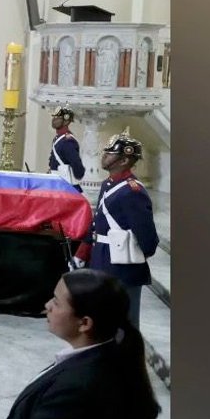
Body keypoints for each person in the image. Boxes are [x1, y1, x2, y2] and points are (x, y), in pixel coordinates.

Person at [0, 269, 161, 419]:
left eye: (56, 302)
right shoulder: (101, 358)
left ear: (84, 323)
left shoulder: (78, 387)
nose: (47, 305)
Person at [88, 129, 159, 326]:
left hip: (122, 266)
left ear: (124, 160)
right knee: (102, 321)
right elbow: (97, 223)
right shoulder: (108, 184)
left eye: (110, 153)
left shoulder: (132, 191)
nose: (104, 156)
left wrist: (133, 254)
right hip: (101, 260)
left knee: (125, 323)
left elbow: (147, 238)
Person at [48, 106, 85, 190]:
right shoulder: (58, 138)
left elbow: (77, 167)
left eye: (58, 117)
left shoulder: (67, 141)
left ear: (66, 121)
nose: (54, 119)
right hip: (58, 184)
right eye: (54, 117)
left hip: (66, 186)